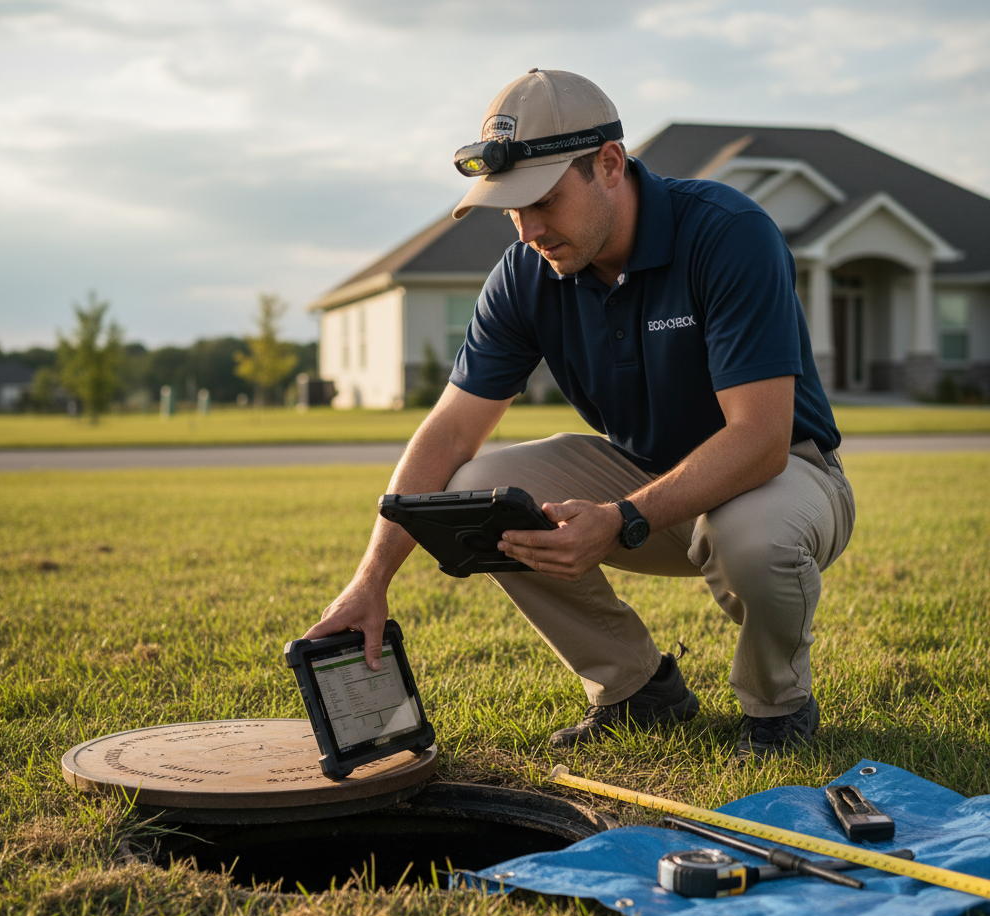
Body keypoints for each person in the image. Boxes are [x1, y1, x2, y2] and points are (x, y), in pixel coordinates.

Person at [305, 69, 855, 761]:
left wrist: (622, 519)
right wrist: (370, 580)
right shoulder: (526, 274)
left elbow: (761, 438)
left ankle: (779, 710)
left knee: (751, 535)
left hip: (782, 478)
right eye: (511, 208)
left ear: (609, 164)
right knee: (470, 489)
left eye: (544, 200)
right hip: (642, 473)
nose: (530, 229)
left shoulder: (726, 233)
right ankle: (636, 690)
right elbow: (449, 431)